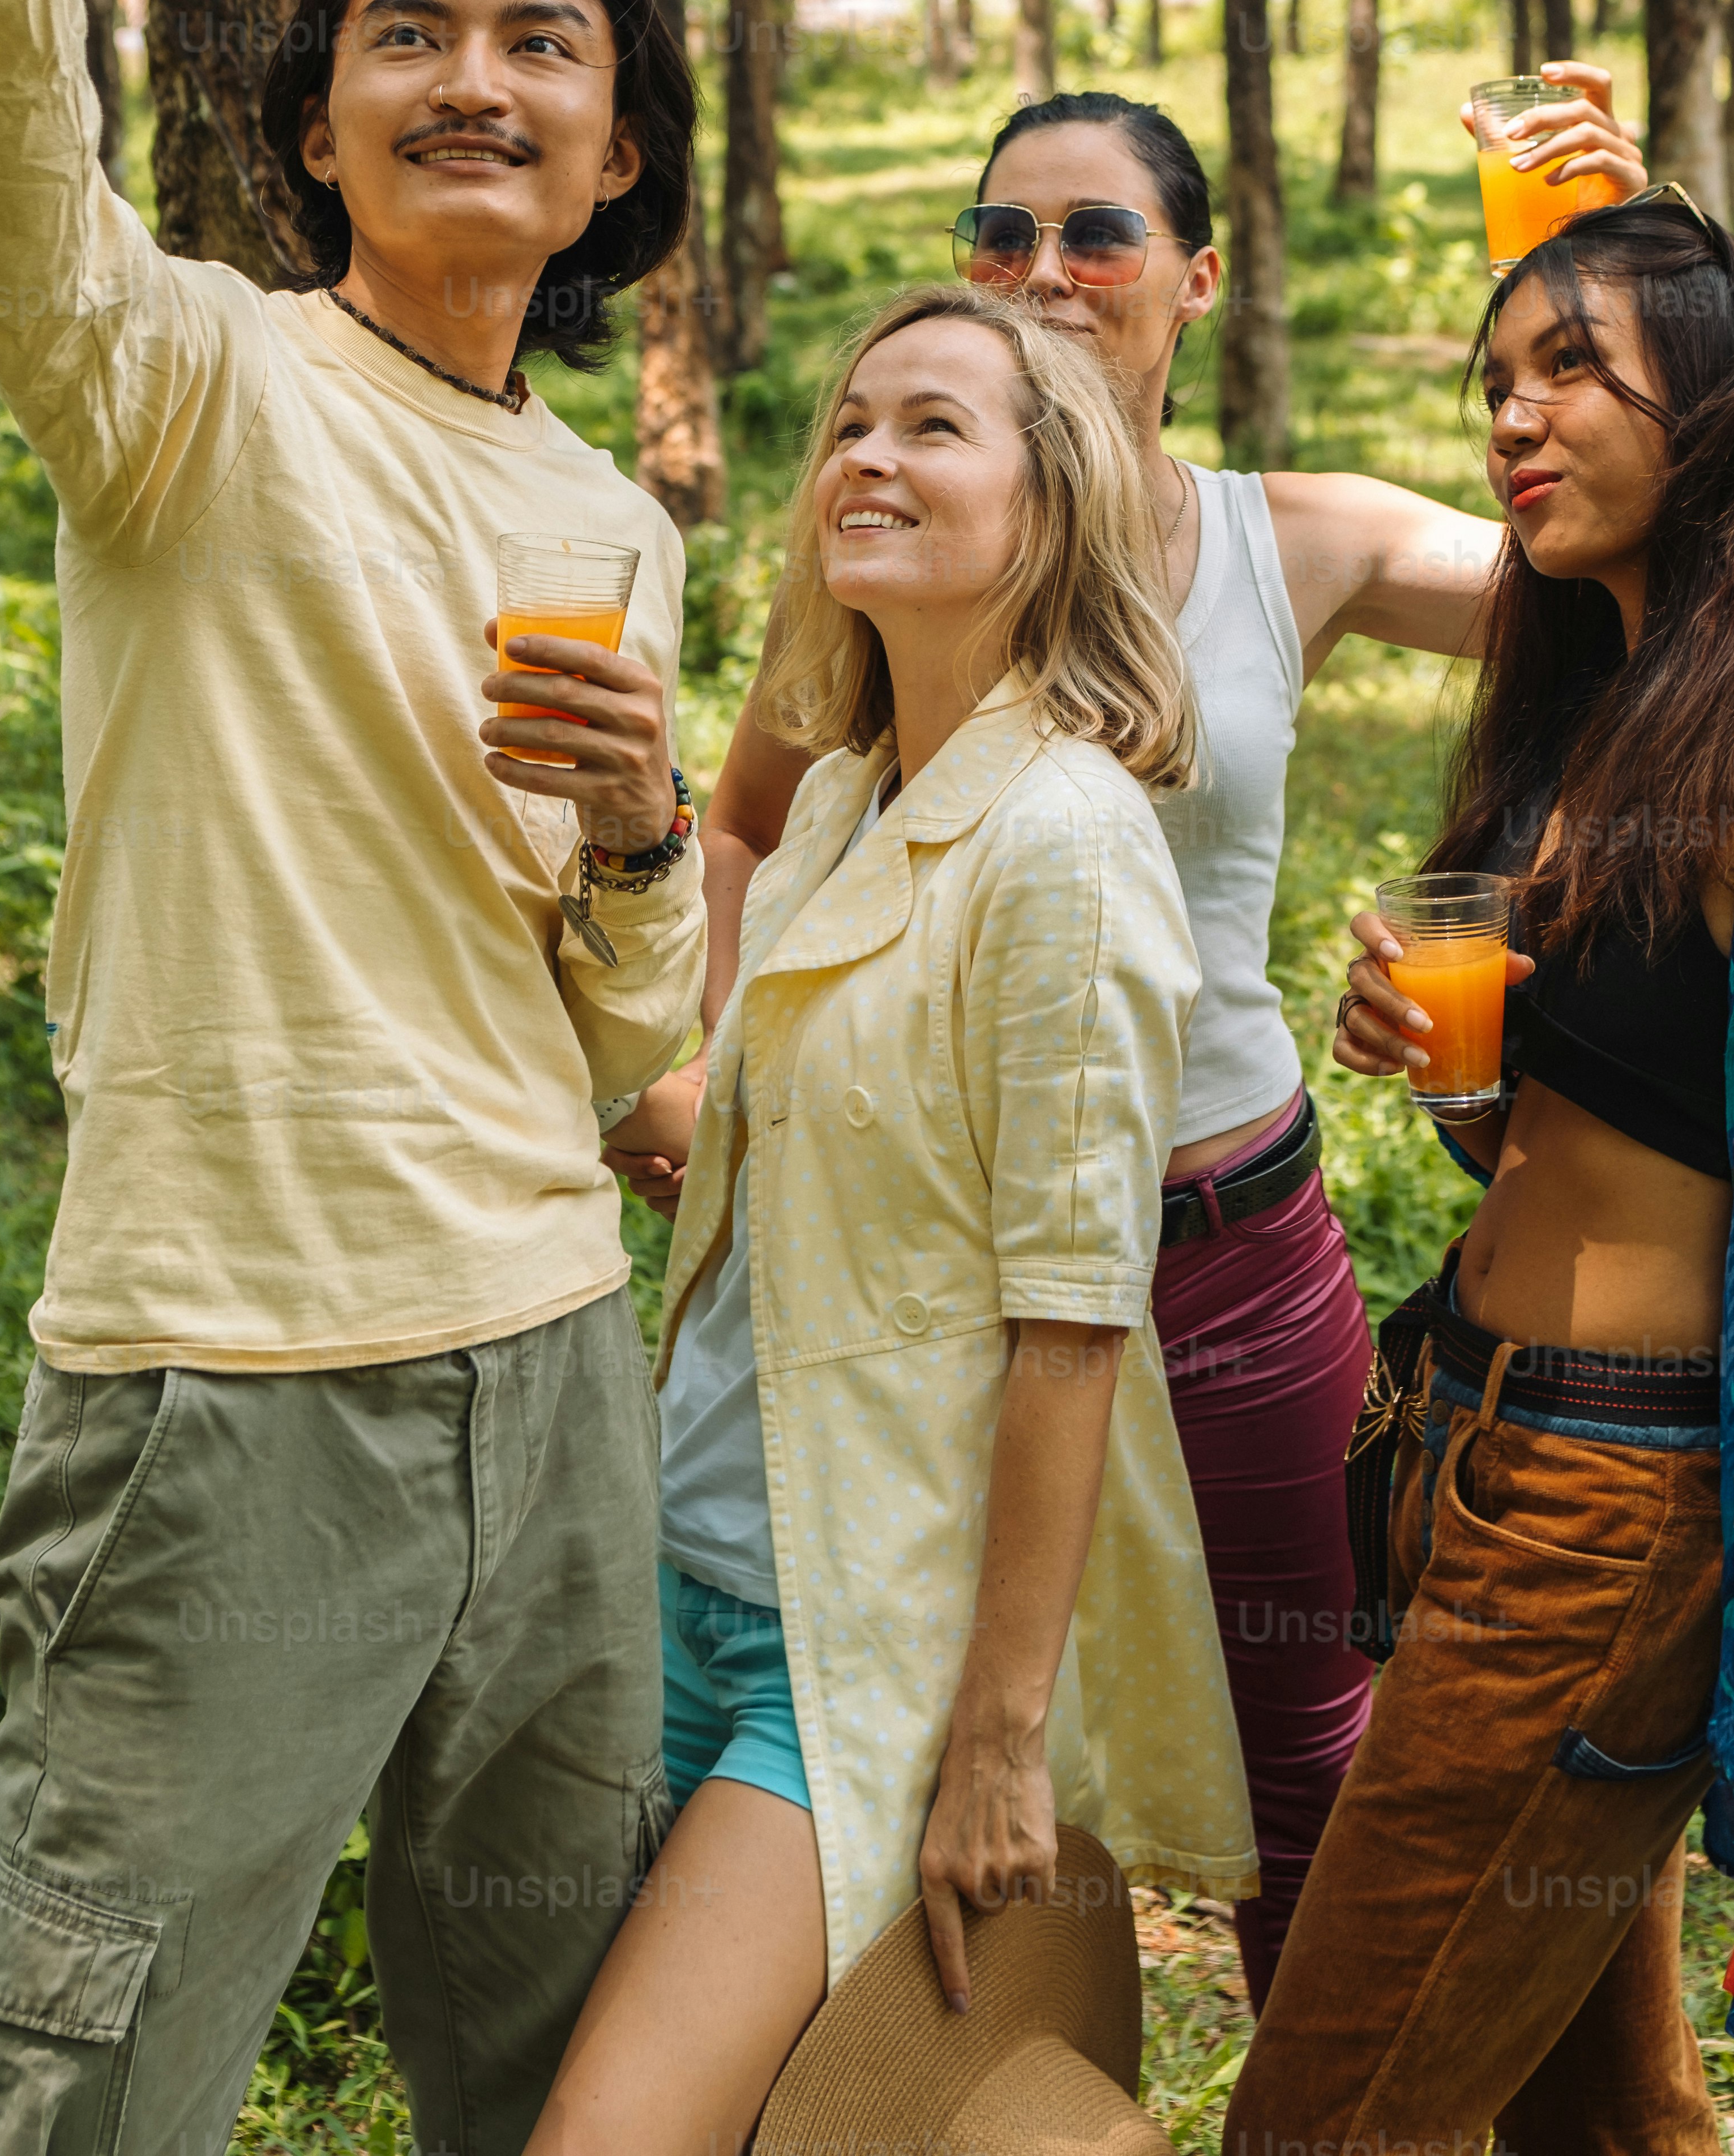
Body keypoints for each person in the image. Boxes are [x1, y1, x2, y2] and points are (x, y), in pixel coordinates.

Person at [0, 0, 708, 2155]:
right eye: (407, 38)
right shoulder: (192, 389)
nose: (475, 77)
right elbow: (14, 188)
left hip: (554, 1356)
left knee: (551, 2042)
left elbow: (615, 1034)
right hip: (228, 1379)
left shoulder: (611, 527)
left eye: (539, 46)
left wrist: (639, 842)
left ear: (613, 159)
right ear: (316, 128)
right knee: (99, 2067)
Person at [613, 71, 1644, 1996]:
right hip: (922, 1268)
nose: (1043, 270)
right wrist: (726, 1067)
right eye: (1001, 235)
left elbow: (1629, 567)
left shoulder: (1291, 541)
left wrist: (1615, 274)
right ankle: (945, 2079)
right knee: (877, 1721)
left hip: (1214, 1259)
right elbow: (747, 820)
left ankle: (1322, 2114)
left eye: (1099, 235)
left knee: (1300, 1765)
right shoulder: (894, 528)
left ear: (1197, 279)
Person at [1228, 193, 1734, 2153]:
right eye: (1497, 378)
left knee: (1320, 2117)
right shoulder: (1592, 701)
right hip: (1468, 1453)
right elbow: (1589, 1135)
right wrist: (1451, 1075)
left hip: (1610, 1510)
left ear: (1718, 404)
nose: (1514, 415)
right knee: (1604, 2122)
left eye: (1573, 368)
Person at [525, 284, 1255, 2156]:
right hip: (684, 1575)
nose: (868, 455)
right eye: (852, 423)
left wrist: (998, 1735)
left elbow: (1072, 1322)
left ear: (1052, 501)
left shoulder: (1067, 838)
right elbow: (797, 1137)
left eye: (936, 426)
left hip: (859, 1638)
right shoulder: (848, 799)